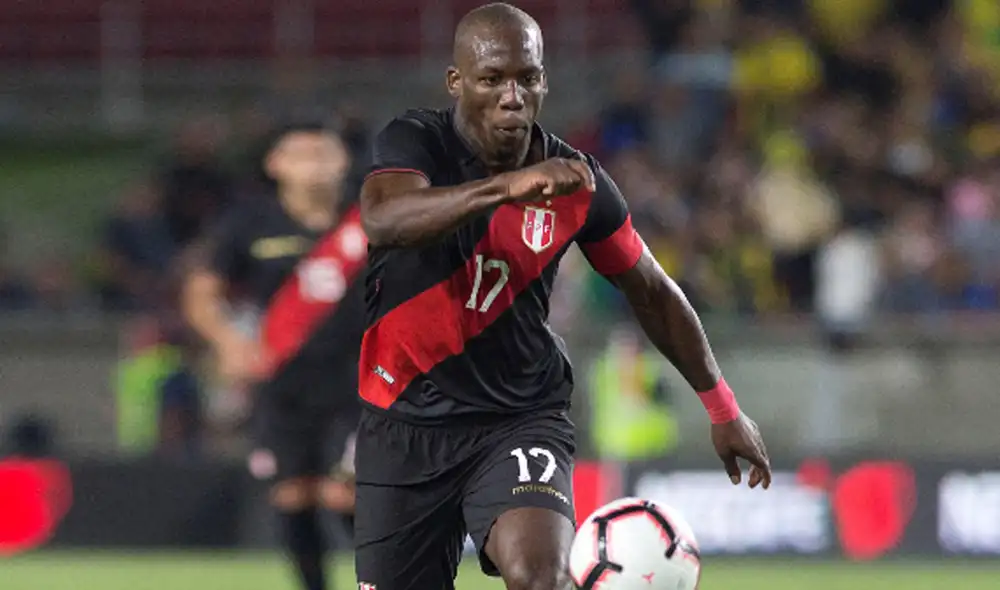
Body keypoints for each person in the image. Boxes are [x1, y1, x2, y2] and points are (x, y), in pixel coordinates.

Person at [354, 3, 773, 589]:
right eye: (493, 78)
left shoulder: (577, 181)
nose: (512, 95)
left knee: (539, 575)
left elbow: (651, 290)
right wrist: (503, 189)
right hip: (402, 422)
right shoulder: (414, 141)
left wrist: (723, 407)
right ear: (457, 82)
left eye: (527, 77)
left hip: (518, 417)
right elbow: (384, 219)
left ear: (544, 80)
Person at [181, 120, 366, 590]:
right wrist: (227, 341)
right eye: (302, 153)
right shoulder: (249, 223)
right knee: (294, 495)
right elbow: (203, 291)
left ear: (343, 161)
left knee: (346, 493)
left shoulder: (369, 217)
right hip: (284, 382)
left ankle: (390, 578)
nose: (315, 164)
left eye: (324, 152)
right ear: (275, 164)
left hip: (361, 380)